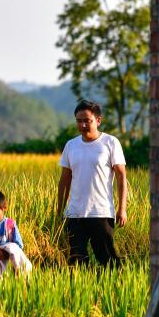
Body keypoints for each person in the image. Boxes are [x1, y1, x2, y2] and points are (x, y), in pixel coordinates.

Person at [56, 99, 127, 267]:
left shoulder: (110, 143)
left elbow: (121, 177)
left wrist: (122, 209)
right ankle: (82, 291)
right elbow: (64, 180)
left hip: (100, 212)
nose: (83, 125)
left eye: (87, 121)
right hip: (75, 214)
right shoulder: (71, 145)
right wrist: (60, 210)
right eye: (79, 121)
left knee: (107, 259)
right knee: (76, 260)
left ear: (98, 120)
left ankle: (115, 290)